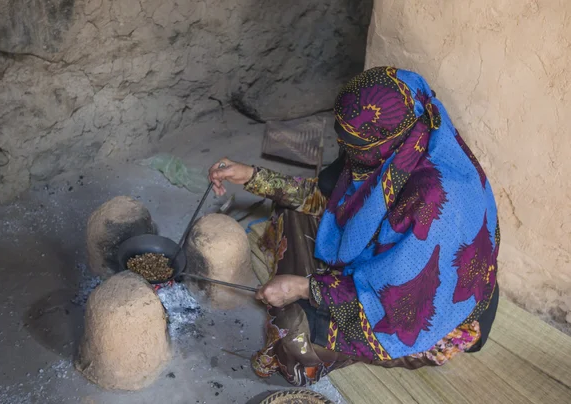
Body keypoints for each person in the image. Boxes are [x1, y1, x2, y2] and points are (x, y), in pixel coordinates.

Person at [208, 66, 499, 386]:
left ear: (382, 139)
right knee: (290, 208)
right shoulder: (392, 147)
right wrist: (250, 175)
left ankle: (303, 301)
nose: (341, 145)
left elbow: (392, 302)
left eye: (352, 142)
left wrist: (304, 288)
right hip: (381, 271)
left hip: (421, 317)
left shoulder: (434, 200)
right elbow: (324, 198)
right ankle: (309, 285)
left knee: (292, 337)